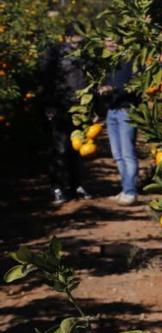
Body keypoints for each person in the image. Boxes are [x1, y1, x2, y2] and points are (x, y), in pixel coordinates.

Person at [40, 26, 92, 205]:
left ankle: (76, 185)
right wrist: (49, 106)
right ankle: (57, 188)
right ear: (67, 38)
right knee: (59, 149)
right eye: (77, 42)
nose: (79, 45)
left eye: (81, 42)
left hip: (79, 110)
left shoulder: (85, 55)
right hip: (60, 108)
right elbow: (46, 81)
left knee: (77, 149)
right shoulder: (55, 54)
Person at [99, 40, 139, 206]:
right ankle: (125, 189)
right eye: (107, 41)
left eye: (113, 41)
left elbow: (136, 85)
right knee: (118, 155)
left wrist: (114, 89)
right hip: (112, 111)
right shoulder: (109, 62)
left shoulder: (131, 60)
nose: (110, 44)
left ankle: (131, 192)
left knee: (128, 154)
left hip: (126, 111)